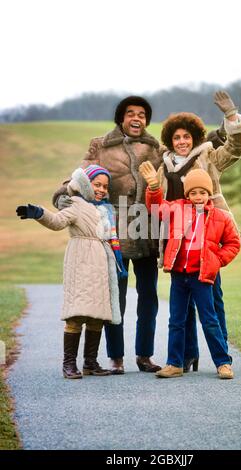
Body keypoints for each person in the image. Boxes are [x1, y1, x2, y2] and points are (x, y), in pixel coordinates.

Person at [52, 96, 163, 374]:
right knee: (117, 298)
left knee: (149, 298)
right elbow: (79, 177)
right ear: (121, 118)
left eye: (141, 114)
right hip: (113, 233)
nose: (136, 118)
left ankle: (145, 356)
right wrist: (64, 195)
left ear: (146, 120)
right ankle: (116, 357)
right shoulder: (100, 145)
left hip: (147, 232)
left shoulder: (155, 148)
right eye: (130, 113)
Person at [153, 91, 241, 372]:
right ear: (171, 140)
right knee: (180, 313)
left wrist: (232, 118)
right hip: (177, 243)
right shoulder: (164, 166)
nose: (182, 142)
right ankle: (184, 357)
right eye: (177, 137)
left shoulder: (207, 157)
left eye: (187, 137)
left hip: (208, 239)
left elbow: (235, 149)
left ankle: (223, 359)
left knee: (212, 306)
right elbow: (156, 202)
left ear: (194, 138)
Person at [16, 165, 127, 379]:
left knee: (97, 315)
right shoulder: (76, 204)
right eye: (97, 185)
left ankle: (90, 362)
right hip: (81, 260)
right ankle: (68, 364)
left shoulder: (106, 210)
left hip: (102, 264)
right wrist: (39, 213)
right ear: (86, 184)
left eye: (105, 186)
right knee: (76, 315)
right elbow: (57, 222)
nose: (101, 189)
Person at [139, 166, 241, 379]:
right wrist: (154, 186)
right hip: (179, 276)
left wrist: (217, 260)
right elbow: (156, 207)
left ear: (209, 194)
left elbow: (233, 243)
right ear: (187, 195)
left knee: (210, 320)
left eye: (202, 192)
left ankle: (223, 363)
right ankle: (174, 363)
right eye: (193, 193)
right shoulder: (177, 208)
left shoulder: (221, 217)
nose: (198, 197)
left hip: (202, 277)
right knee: (176, 320)